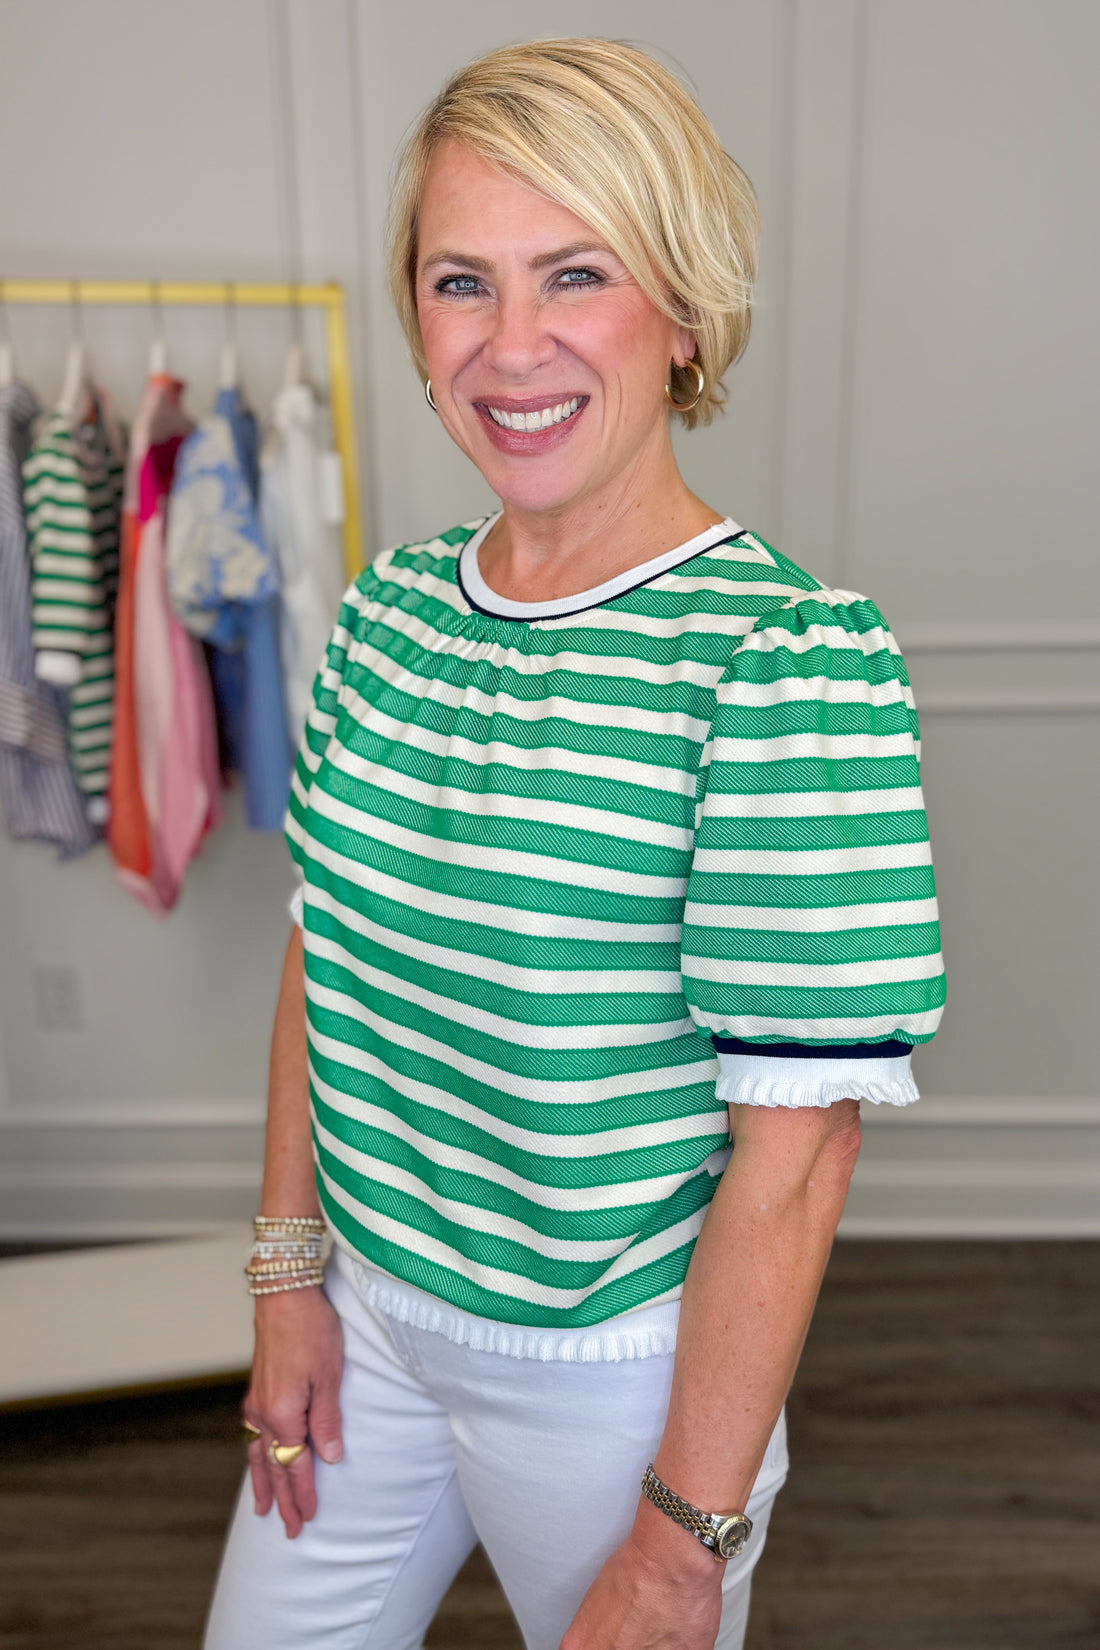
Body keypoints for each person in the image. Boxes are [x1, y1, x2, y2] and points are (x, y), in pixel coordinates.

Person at [204, 37, 944, 1650]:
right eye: (462, 279)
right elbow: (320, 951)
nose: (512, 343)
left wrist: (684, 1537)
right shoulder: (393, 614)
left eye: (577, 275)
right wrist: (286, 1279)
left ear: (680, 312)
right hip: (368, 1324)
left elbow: (801, 1153)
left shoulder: (781, 662)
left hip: (613, 1388)